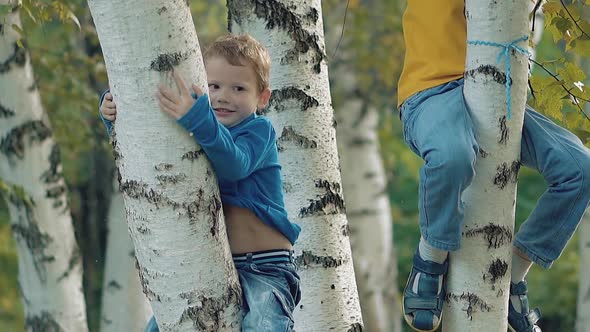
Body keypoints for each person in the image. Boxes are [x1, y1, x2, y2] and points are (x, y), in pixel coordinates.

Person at [397, 1, 590, 331]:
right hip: (432, 90)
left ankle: (513, 275)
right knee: (453, 155)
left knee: (581, 169)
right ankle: (430, 258)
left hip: (497, 91)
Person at [99, 34, 301, 332]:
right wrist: (113, 117)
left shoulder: (259, 131)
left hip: (266, 267)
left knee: (264, 324)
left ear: (262, 98)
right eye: (214, 86)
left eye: (238, 88)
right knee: (163, 325)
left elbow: (235, 165)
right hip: (216, 266)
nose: (222, 96)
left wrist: (198, 119)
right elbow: (149, 163)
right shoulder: (202, 137)